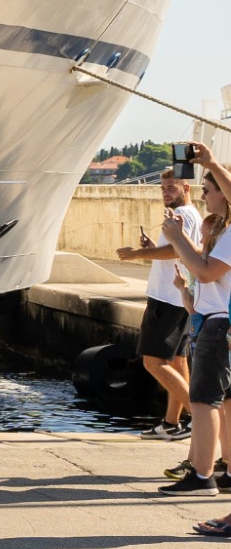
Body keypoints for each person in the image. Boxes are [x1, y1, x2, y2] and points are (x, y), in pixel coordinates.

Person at [159, 141, 231, 498]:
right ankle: (228, 468)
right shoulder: (224, 230)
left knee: (203, 400)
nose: (203, 197)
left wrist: (178, 239)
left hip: (220, 326)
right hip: (215, 321)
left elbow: (206, 272)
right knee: (227, 400)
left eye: (208, 190)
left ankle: (202, 476)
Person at [117, 174, 201, 440]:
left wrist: (136, 254)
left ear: (186, 188)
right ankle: (171, 423)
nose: (165, 192)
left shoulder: (183, 215)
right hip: (179, 297)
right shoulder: (190, 214)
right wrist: (153, 248)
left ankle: (200, 420)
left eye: (171, 187)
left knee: (153, 362)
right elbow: (177, 250)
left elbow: (176, 251)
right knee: (176, 360)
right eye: (163, 188)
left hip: (167, 299)